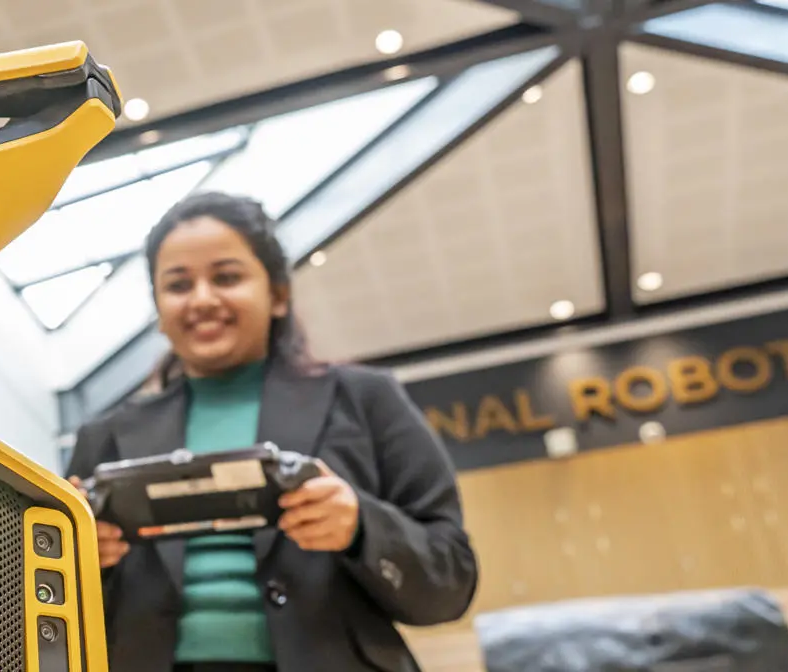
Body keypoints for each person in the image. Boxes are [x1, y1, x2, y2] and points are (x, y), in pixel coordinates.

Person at [65, 192, 478, 672]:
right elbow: (43, 601)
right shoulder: (104, 438)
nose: (202, 299)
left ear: (278, 294)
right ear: (159, 309)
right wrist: (79, 563)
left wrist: (362, 527)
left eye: (227, 277)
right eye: (178, 285)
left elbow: (451, 577)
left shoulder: (366, 400)